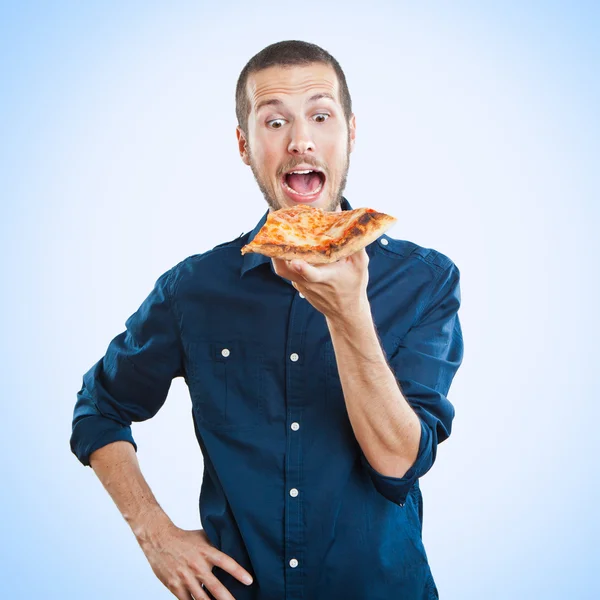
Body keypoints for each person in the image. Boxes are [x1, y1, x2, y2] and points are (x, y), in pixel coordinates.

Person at [70, 39, 464, 600]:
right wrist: (153, 533)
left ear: (351, 132)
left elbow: (399, 465)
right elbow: (100, 407)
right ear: (244, 145)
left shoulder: (424, 281)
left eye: (321, 116)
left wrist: (350, 315)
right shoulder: (194, 289)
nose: (300, 139)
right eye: (274, 121)